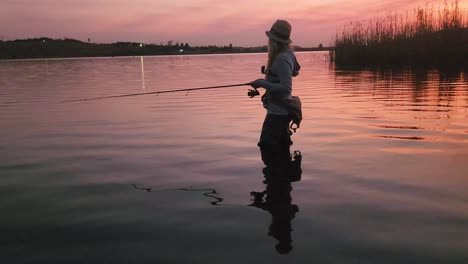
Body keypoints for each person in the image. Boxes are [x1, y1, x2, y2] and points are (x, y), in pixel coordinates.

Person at [251, 20, 301, 162]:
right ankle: (281, 181)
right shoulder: (288, 54)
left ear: (273, 40)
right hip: (282, 112)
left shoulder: (282, 58)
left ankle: (276, 182)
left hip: (277, 115)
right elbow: (295, 72)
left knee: (268, 150)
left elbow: (286, 87)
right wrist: (270, 76)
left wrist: (262, 83)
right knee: (280, 152)